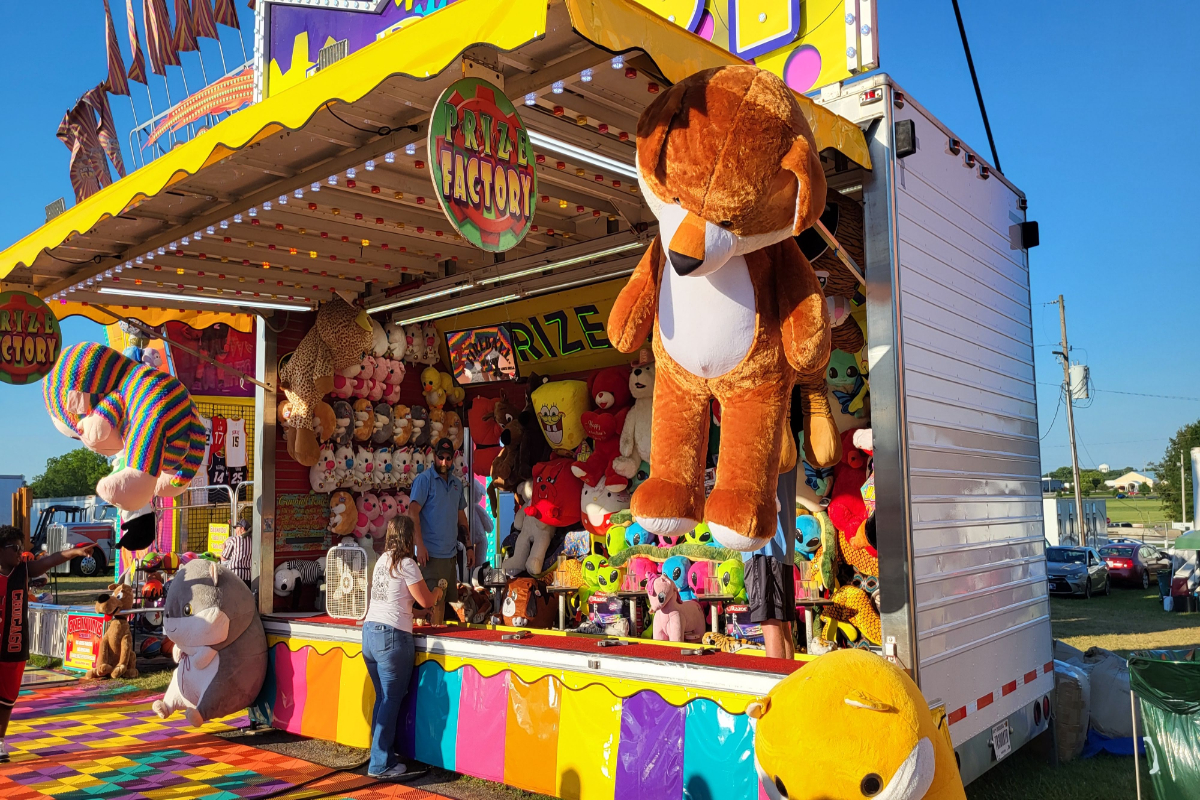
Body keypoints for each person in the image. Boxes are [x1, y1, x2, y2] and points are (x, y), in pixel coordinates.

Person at [0, 525, 96, 762]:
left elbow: (51, 560)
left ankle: (0, 742)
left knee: (7, 700)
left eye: (21, 548)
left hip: (14, 647)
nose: (20, 552)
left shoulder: (23, 570)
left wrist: (75, 552)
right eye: (15, 548)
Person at [362, 516, 438, 779]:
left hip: (370, 634)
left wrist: (418, 613)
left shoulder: (382, 561)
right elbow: (426, 600)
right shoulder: (407, 564)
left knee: (383, 698)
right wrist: (438, 593)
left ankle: (378, 754)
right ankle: (380, 764)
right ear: (409, 537)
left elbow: (397, 599)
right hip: (392, 637)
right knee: (390, 699)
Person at [741, 465, 799, 660]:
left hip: (761, 545)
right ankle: (789, 676)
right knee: (782, 623)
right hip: (783, 546)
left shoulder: (758, 448)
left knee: (770, 622)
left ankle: (776, 678)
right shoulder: (788, 451)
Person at [408, 438, 467, 617]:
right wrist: (420, 546)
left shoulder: (457, 484)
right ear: (434, 456)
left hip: (450, 556)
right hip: (430, 556)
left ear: (453, 458)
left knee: (444, 607)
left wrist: (470, 546)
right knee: (427, 609)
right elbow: (412, 513)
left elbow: (461, 517)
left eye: (448, 458)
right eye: (440, 457)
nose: (444, 462)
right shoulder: (424, 480)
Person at [220, 519, 253, 587]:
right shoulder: (252, 541)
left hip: (234, 574)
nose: (235, 531)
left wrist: (223, 549)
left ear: (242, 529)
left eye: (237, 528)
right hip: (247, 576)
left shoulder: (234, 540)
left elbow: (224, 558)